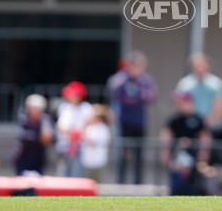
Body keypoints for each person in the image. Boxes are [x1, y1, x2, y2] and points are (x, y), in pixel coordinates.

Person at [112, 51, 157, 184]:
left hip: (139, 122)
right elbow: (117, 93)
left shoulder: (145, 79)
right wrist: (132, 98)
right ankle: (120, 182)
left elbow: (150, 96)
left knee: (139, 154)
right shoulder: (120, 78)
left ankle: (138, 183)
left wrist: (135, 97)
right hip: (123, 121)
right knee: (123, 153)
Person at [160, 90, 211, 195]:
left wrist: (203, 152)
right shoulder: (174, 119)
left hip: (194, 156)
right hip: (177, 156)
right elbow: (167, 135)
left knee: (194, 183)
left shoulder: (197, 118)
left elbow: (204, 136)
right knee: (176, 182)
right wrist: (165, 152)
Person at [176, 53, 222, 128]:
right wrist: (196, 119)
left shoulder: (216, 83)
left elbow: (220, 105)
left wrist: (210, 120)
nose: (200, 69)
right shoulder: (185, 84)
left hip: (211, 124)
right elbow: (181, 104)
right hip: (190, 122)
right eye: (196, 66)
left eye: (202, 66)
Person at [55, 81, 94, 178]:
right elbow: (60, 125)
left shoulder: (86, 108)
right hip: (66, 145)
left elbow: (90, 124)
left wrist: (79, 133)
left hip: (81, 145)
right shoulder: (65, 107)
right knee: (64, 171)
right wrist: (71, 133)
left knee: (79, 172)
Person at [12, 94, 54, 176]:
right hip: (22, 158)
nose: (36, 111)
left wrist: (48, 136)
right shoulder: (23, 119)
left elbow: (52, 137)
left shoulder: (46, 120)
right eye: (33, 108)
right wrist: (40, 137)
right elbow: (22, 136)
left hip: (39, 159)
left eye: (38, 108)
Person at [81, 104, 112, 183]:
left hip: (98, 160)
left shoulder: (103, 128)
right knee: (88, 181)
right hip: (88, 159)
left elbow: (96, 141)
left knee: (98, 182)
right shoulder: (89, 127)